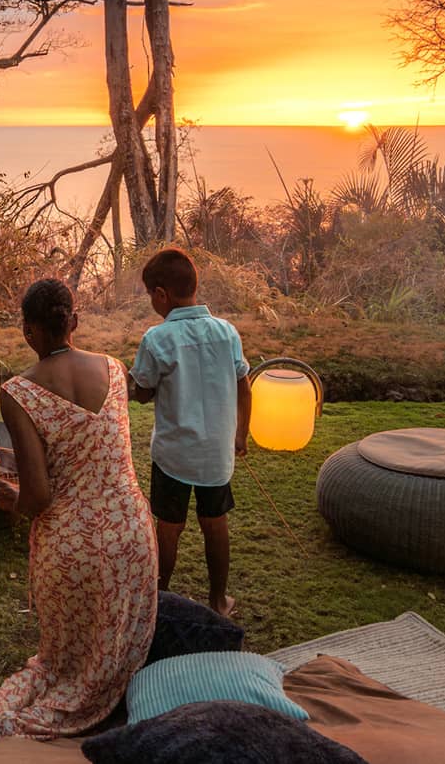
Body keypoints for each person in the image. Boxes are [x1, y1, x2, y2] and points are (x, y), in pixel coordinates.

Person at [0, 279, 158, 743]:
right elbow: (91, 454)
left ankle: (5, 718)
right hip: (131, 538)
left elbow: (39, 496)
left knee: (57, 664)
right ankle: (22, 713)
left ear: (29, 331)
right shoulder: (114, 369)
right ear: (74, 320)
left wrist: (12, 502)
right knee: (102, 669)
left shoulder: (19, 392)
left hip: (73, 550)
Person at [128, 247, 252, 616]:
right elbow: (244, 384)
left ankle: (159, 599)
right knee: (215, 523)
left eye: (151, 294)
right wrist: (241, 433)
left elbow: (143, 393)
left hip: (173, 454)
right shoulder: (226, 332)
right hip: (216, 451)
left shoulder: (157, 339)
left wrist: (129, 382)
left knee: (168, 527)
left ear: (161, 294)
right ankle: (218, 599)